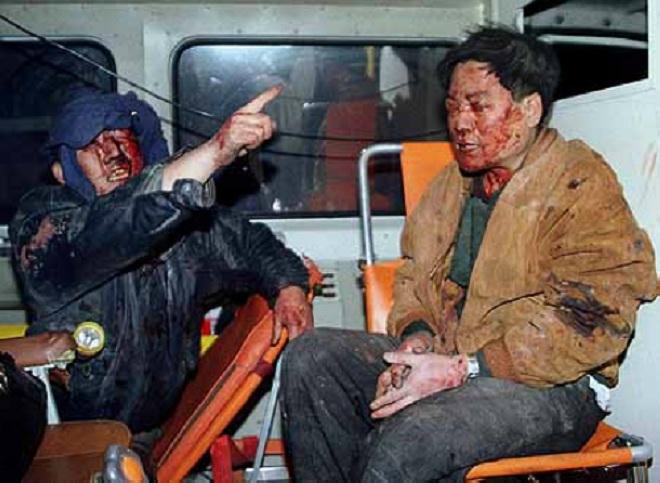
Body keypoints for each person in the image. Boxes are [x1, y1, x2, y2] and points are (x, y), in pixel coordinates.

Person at [281, 26, 657, 482]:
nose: (460, 123)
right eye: (453, 106)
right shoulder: (449, 184)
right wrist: (416, 342)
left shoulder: (578, 182)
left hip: (551, 385)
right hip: (452, 355)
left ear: (530, 109)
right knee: (312, 356)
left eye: (478, 106)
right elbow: (414, 276)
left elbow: (593, 318)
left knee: (415, 434)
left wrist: (463, 369)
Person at [10, 86, 313, 433]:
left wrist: (289, 286)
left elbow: (250, 243)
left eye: (122, 137)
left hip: (154, 429)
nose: (113, 154)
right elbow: (120, 222)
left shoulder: (186, 229)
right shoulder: (44, 228)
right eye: (92, 146)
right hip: (68, 433)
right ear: (62, 173)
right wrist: (216, 152)